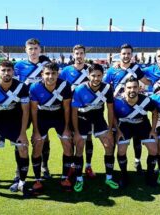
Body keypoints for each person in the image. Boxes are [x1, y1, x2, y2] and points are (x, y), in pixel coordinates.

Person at [0, 60, 30, 201]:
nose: (6, 73)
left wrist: (23, 133)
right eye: (3, 70)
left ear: (13, 72)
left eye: (9, 70)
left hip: (15, 125)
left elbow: (25, 111)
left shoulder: (22, 87)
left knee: (23, 149)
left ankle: (22, 183)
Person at [103, 43, 151, 174]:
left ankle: (137, 162)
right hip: (118, 107)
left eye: (128, 53)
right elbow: (104, 86)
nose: (126, 56)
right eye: (124, 53)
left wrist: (157, 86)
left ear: (132, 55)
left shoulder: (137, 68)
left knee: (137, 138)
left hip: (134, 105)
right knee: (115, 136)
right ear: (120, 54)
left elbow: (146, 82)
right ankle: (112, 170)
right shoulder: (112, 70)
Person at [71, 63, 119, 192]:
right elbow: (74, 112)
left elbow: (110, 110)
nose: (96, 78)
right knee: (80, 146)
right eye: (93, 75)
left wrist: (109, 130)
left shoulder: (107, 88)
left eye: (99, 76)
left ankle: (109, 177)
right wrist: (75, 132)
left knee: (109, 145)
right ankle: (79, 179)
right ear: (88, 75)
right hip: (82, 119)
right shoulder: (79, 89)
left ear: (103, 75)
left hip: (98, 118)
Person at [29, 62, 73, 192]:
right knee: (37, 145)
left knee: (67, 144)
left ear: (58, 74)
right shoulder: (35, 87)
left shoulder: (65, 85)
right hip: (42, 117)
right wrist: (35, 131)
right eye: (47, 73)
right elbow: (34, 111)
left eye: (53, 73)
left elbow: (66, 109)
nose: (50, 76)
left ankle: (65, 178)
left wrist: (66, 128)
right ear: (42, 74)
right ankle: (37, 180)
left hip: (59, 116)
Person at [14, 38, 52, 181]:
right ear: (26, 50)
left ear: (40, 50)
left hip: (42, 107)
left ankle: (44, 166)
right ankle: (18, 170)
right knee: (19, 136)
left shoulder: (46, 65)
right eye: (30, 49)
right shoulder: (18, 66)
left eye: (36, 48)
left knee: (43, 138)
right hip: (22, 107)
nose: (33, 51)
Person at [59, 44, 96, 179]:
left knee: (88, 138)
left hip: (88, 110)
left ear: (84, 55)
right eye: (77, 53)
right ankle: (73, 166)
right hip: (71, 110)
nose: (79, 56)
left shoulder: (90, 70)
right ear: (73, 55)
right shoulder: (65, 71)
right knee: (74, 138)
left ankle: (88, 165)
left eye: (81, 53)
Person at [114, 77, 158, 187]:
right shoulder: (118, 101)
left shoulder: (146, 100)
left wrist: (153, 130)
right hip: (125, 126)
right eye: (129, 87)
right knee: (121, 150)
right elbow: (113, 116)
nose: (132, 90)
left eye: (134, 87)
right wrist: (118, 131)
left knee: (153, 149)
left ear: (139, 88)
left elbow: (155, 112)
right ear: (124, 89)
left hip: (142, 124)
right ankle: (124, 175)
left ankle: (150, 174)